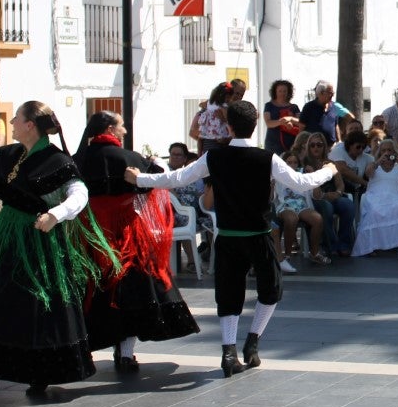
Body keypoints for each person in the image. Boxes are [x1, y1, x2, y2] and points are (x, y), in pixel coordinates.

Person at [127, 101, 337, 377]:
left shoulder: (214, 157)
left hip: (227, 238)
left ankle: (229, 351)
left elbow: (177, 178)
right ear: (255, 126)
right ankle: (253, 339)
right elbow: (301, 183)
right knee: (271, 290)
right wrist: (329, 171)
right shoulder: (267, 158)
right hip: (259, 237)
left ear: (228, 126)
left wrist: (140, 178)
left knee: (228, 294)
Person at [0, 101, 117, 407]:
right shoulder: (11, 154)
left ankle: (40, 372)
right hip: (7, 239)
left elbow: (79, 194)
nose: (11, 122)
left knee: (42, 307)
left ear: (30, 125)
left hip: (41, 242)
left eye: (16, 119)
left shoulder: (56, 160)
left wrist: (56, 214)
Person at [75, 111, 199, 373]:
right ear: (109, 128)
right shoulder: (128, 158)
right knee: (136, 291)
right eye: (121, 126)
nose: (124, 131)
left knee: (92, 292)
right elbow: (153, 179)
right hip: (126, 236)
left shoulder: (80, 159)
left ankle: (82, 349)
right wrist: (152, 163)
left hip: (89, 235)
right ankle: (126, 353)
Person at [352, 139, 398, 256]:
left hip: (395, 195)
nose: (387, 152)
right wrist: (378, 162)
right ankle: (372, 245)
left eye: (389, 150)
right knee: (374, 210)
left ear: (394, 152)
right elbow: (368, 173)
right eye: (384, 150)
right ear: (379, 152)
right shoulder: (374, 164)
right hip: (376, 195)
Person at [304, 133, 355, 257]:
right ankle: (330, 245)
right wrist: (324, 196)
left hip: (332, 195)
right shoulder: (305, 164)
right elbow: (312, 191)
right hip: (313, 198)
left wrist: (337, 193)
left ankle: (344, 244)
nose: (316, 147)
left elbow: (340, 184)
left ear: (324, 147)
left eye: (319, 145)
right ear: (308, 147)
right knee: (327, 207)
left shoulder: (331, 163)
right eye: (312, 145)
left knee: (347, 205)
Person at [263, 80, 302, 155]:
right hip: (272, 143)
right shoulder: (269, 105)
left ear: (288, 92)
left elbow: (300, 122)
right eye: (280, 91)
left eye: (284, 91)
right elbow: (268, 123)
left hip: (291, 143)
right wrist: (281, 122)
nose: (282, 93)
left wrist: (291, 119)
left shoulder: (294, 107)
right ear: (275, 92)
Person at [191, 82, 233, 153]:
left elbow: (201, 104)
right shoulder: (223, 107)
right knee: (202, 139)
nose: (229, 99)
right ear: (222, 96)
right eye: (228, 97)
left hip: (208, 130)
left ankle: (199, 153)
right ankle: (199, 154)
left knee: (201, 139)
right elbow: (227, 119)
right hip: (218, 131)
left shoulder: (210, 103)